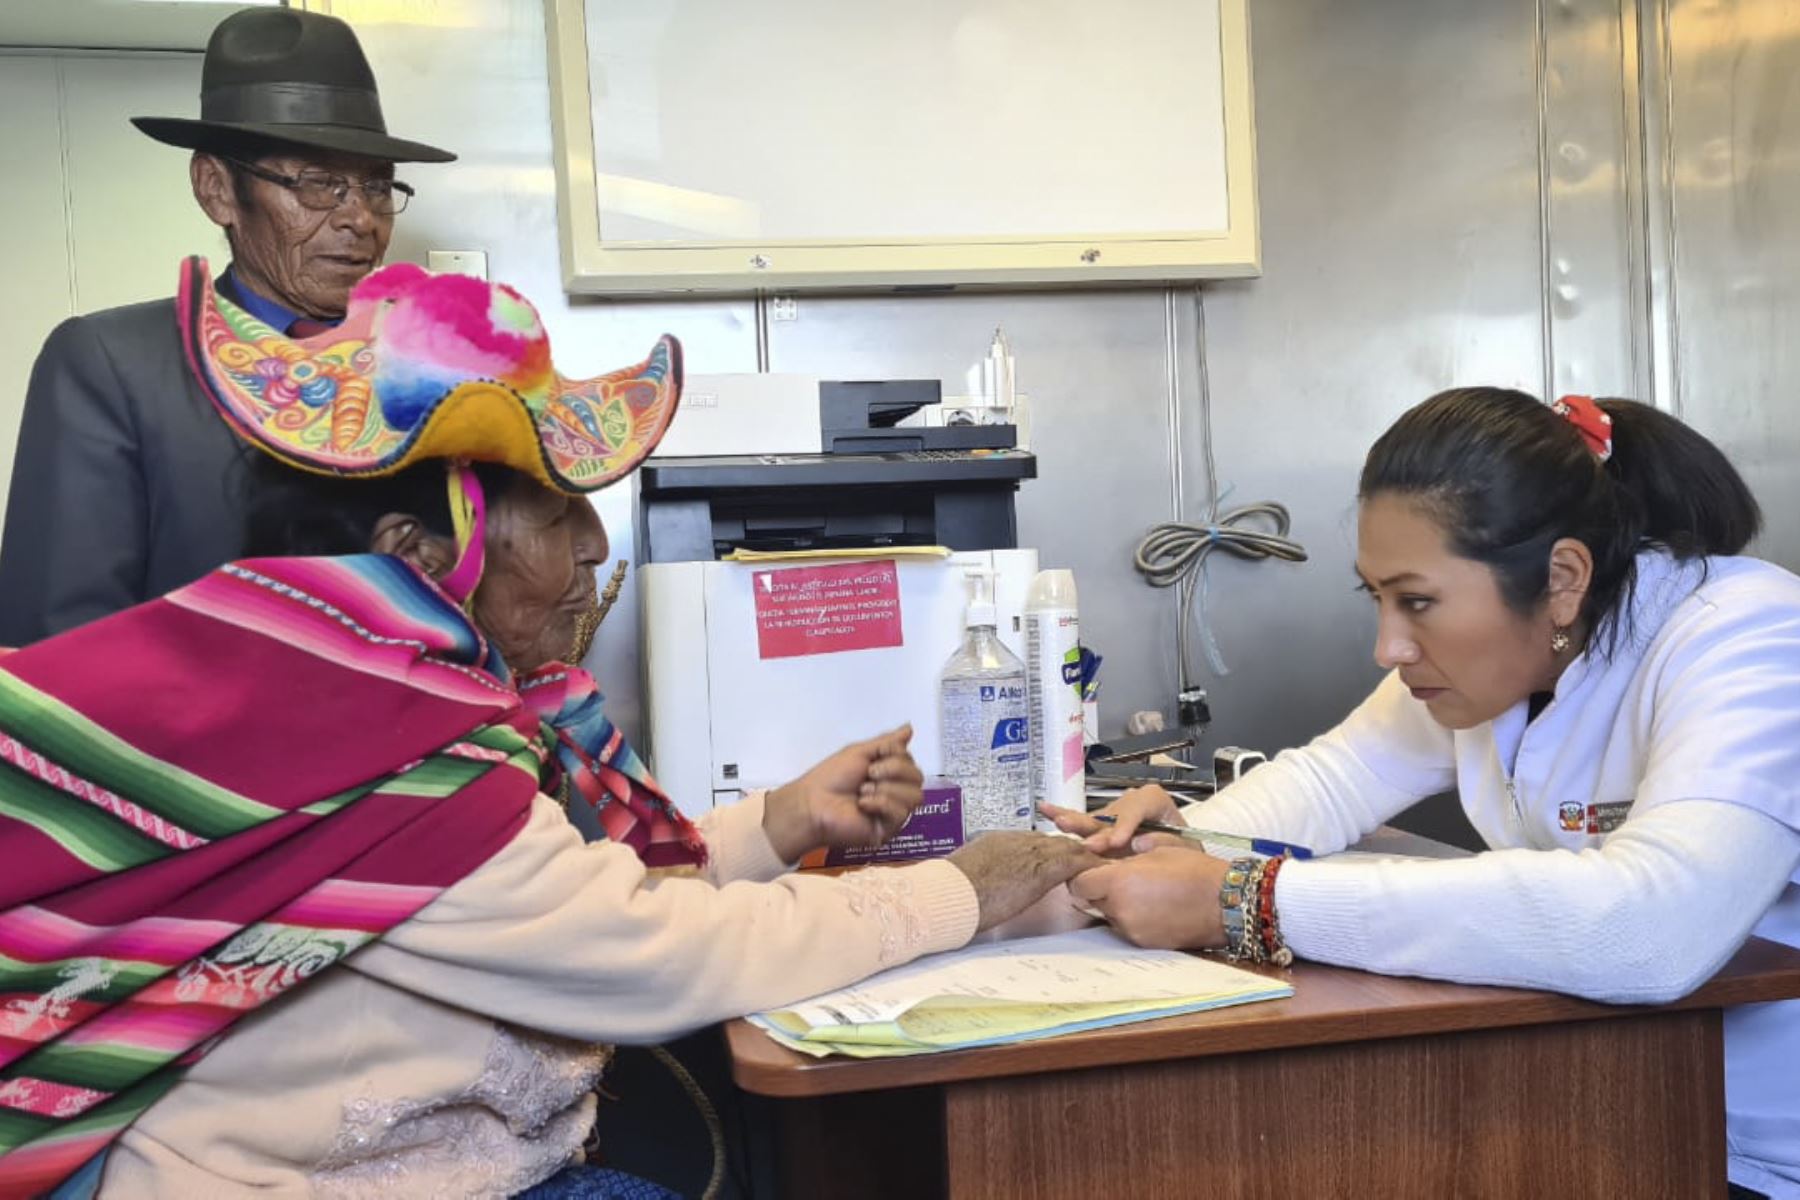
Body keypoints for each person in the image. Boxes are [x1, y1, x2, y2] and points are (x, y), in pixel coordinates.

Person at [0, 258, 1096, 1197]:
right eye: (556, 509)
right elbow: (650, 953)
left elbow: (560, 898)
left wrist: (776, 820)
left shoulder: (328, 696)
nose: (591, 547)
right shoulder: (397, 760)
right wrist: (964, 887)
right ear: (422, 551)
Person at [1049, 388, 1800, 1199]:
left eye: (1417, 601)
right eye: (1375, 598)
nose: (1389, 645)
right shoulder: (1502, 660)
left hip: (1757, 1153)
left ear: (1563, 577)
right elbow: (1333, 779)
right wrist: (1178, 842)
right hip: (1611, 1110)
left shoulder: (1749, 638)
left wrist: (1244, 900)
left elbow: (1652, 927)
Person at [0, 6, 454, 647]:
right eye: (320, 184)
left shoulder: (431, 373)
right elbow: (57, 657)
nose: (361, 219)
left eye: (377, 188)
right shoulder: (112, 367)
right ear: (216, 189)